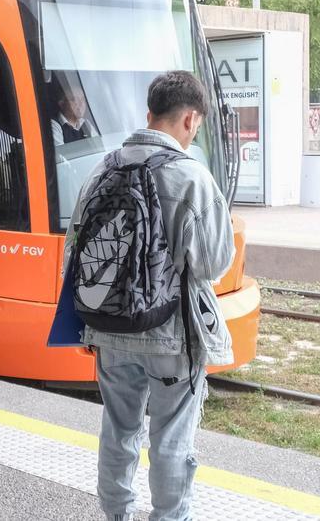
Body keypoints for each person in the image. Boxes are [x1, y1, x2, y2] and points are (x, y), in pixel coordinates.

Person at [70, 71, 234, 521]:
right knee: (171, 441)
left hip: (109, 330)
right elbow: (213, 263)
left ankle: (117, 515)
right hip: (171, 336)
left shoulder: (102, 168)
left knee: (118, 430)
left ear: (148, 115)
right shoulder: (191, 177)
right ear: (190, 119)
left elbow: (75, 250)